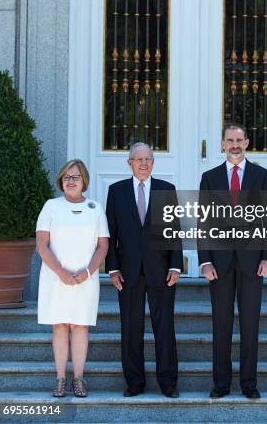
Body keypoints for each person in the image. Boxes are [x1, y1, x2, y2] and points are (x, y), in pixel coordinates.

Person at [198, 124, 267, 399]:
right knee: (221, 324)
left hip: (253, 261)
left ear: (247, 142)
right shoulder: (209, 178)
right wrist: (204, 261)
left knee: (250, 325)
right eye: (229, 140)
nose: (234, 144)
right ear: (222, 144)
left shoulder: (262, 176)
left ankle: (248, 384)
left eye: (239, 140)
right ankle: (220, 384)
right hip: (218, 263)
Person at [105, 143, 183, 398]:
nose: (143, 163)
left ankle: (168, 382)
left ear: (153, 162)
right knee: (130, 327)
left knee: (164, 328)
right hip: (127, 271)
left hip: (161, 270)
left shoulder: (166, 190)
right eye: (138, 159)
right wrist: (113, 269)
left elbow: (174, 231)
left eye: (148, 159)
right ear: (129, 163)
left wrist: (175, 265)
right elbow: (111, 234)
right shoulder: (116, 191)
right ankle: (134, 381)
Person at [36, 159, 109, 398]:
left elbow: (102, 246)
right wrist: (61, 272)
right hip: (56, 278)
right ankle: (60, 379)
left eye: (75, 177)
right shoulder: (51, 206)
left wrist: (88, 272)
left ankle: (78, 379)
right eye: (66, 177)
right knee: (59, 326)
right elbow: (42, 245)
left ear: (84, 180)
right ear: (61, 180)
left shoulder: (95, 208)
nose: (70, 181)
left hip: (85, 279)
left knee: (80, 326)